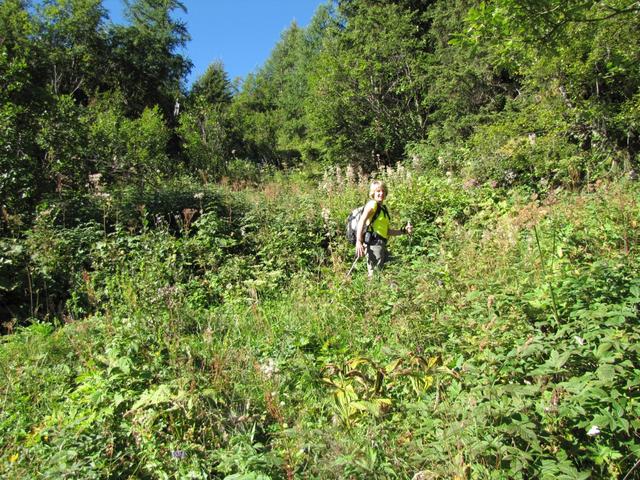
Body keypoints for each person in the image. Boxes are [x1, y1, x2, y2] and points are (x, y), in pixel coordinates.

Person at [355, 180, 413, 276]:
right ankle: (371, 291)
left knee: (394, 266)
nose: (381, 193)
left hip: (382, 245)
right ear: (373, 193)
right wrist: (358, 241)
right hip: (374, 245)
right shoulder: (372, 204)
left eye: (383, 191)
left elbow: (387, 231)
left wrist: (404, 231)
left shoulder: (383, 209)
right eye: (378, 191)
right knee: (374, 276)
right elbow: (362, 220)